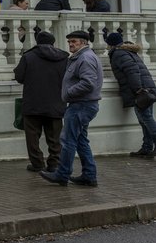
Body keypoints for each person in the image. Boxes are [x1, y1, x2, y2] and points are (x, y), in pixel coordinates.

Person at [41, 30, 103, 187]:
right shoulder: (82, 57)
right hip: (84, 104)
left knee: (68, 140)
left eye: (74, 41)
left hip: (81, 105)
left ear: (83, 42)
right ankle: (89, 175)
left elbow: (88, 83)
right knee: (81, 140)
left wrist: (68, 93)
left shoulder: (85, 58)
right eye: (69, 42)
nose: (70, 44)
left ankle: (62, 174)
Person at [13, 31, 66, 173]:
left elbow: (19, 76)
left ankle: (37, 164)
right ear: (53, 42)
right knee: (55, 137)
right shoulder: (63, 57)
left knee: (32, 137)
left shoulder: (28, 56)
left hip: (33, 103)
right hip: (56, 102)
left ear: (37, 42)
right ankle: (54, 163)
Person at [105, 32, 156, 159]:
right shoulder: (128, 51)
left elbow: (132, 70)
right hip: (148, 87)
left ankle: (148, 146)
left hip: (142, 90)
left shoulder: (118, 53)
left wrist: (138, 89)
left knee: (146, 119)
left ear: (110, 44)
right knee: (144, 119)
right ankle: (147, 147)